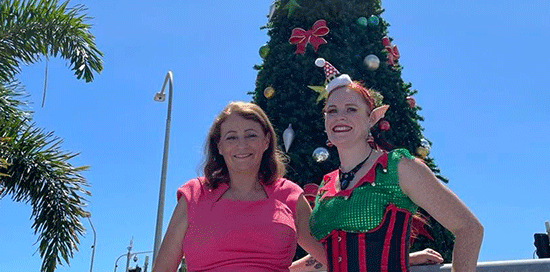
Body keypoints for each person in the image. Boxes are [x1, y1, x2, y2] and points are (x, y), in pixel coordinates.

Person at [152, 101, 443, 272]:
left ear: (266, 141)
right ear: (219, 145)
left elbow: (333, 258)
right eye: (231, 137)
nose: (242, 145)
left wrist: (402, 259)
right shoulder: (194, 195)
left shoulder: (288, 195)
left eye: (251, 135)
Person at [309, 59, 484, 272]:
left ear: (371, 119)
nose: (340, 117)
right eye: (332, 111)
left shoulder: (397, 167)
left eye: (351, 109)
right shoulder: (326, 186)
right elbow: (326, 258)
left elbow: (469, 228)